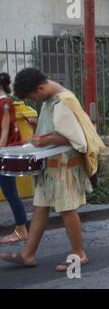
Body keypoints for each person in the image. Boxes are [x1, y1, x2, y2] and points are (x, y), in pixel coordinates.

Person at [0, 68, 105, 271]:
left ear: (40, 88)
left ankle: (79, 253)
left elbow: (77, 138)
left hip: (64, 167)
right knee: (40, 207)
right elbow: (61, 127)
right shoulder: (52, 100)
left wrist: (45, 139)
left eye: (33, 96)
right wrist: (39, 124)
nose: (35, 100)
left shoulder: (64, 101)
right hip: (50, 166)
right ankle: (27, 254)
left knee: (66, 209)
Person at [0, 72, 28, 244]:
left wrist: (0, 154)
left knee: (10, 193)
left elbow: (4, 133)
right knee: (10, 192)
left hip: (4, 154)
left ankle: (21, 230)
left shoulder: (5, 103)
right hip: (4, 153)